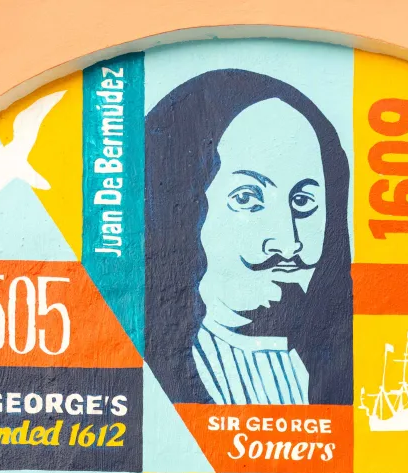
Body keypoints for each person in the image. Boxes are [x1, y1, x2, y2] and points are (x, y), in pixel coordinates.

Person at [144, 69, 353, 406]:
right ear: (184, 211)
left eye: (303, 202)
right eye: (247, 199)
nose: (287, 243)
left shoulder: (324, 373)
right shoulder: (156, 381)